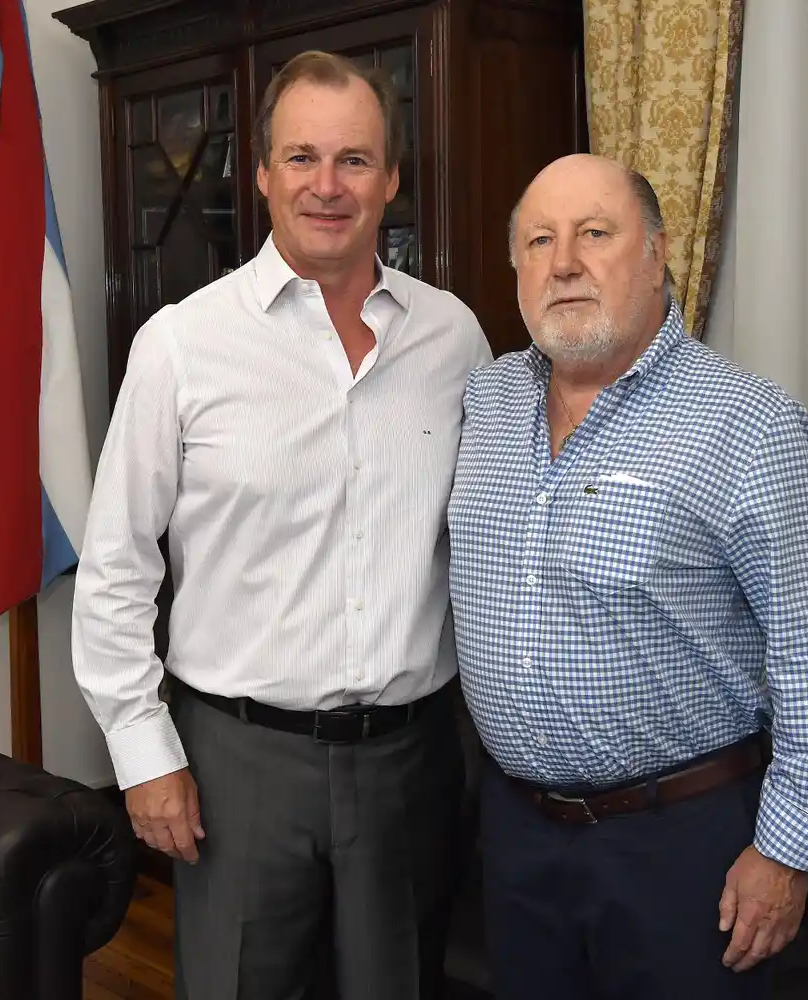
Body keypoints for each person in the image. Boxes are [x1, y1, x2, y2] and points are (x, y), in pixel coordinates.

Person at [71, 50, 492, 1000]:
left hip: (412, 762)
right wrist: (145, 758)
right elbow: (115, 572)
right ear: (260, 174)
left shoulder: (456, 339)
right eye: (301, 157)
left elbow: (490, 541)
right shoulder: (182, 344)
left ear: (391, 179)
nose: (327, 185)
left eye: (354, 160)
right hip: (237, 766)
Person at [446, 153, 808, 999]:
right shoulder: (487, 402)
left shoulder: (747, 425)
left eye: (594, 234)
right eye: (539, 241)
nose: (564, 261)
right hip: (516, 833)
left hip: (682, 842)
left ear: (657, 252)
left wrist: (785, 850)